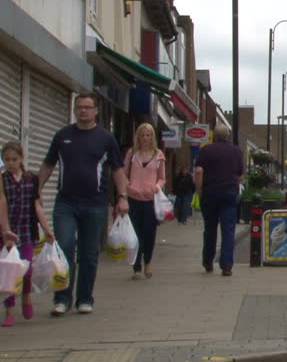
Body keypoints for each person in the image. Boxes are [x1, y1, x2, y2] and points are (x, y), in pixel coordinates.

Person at [39, 93, 128, 316]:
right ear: (74, 110)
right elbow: (48, 164)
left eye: (87, 107)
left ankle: (85, 299)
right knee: (65, 247)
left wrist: (123, 196)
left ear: (96, 111)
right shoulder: (62, 136)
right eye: (79, 107)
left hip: (95, 204)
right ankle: (62, 299)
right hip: (66, 203)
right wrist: (36, 190)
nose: (83, 111)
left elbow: (117, 170)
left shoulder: (106, 139)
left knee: (89, 253)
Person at [0, 141, 55, 327]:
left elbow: (37, 206)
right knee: (9, 272)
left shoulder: (31, 179)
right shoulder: (2, 179)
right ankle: (9, 311)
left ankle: (26, 297)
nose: (10, 163)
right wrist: (6, 230)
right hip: (7, 234)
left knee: (27, 270)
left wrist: (47, 229)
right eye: (6, 160)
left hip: (26, 232)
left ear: (21, 158)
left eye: (14, 159)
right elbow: (2, 204)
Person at [194, 125, 244, 276]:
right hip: (229, 193)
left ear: (214, 136)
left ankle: (208, 262)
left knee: (210, 229)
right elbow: (240, 174)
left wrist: (199, 190)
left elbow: (198, 171)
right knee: (228, 230)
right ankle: (226, 266)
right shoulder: (236, 151)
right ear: (228, 135)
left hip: (210, 193)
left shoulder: (206, 150)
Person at [124, 124, 165, 280]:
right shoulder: (132, 153)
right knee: (135, 233)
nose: (145, 138)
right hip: (134, 198)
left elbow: (162, 177)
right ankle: (136, 267)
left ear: (152, 137)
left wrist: (156, 186)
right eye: (142, 135)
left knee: (149, 233)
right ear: (138, 137)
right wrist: (128, 187)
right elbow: (123, 172)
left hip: (150, 200)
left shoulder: (158, 154)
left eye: (148, 135)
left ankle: (148, 261)